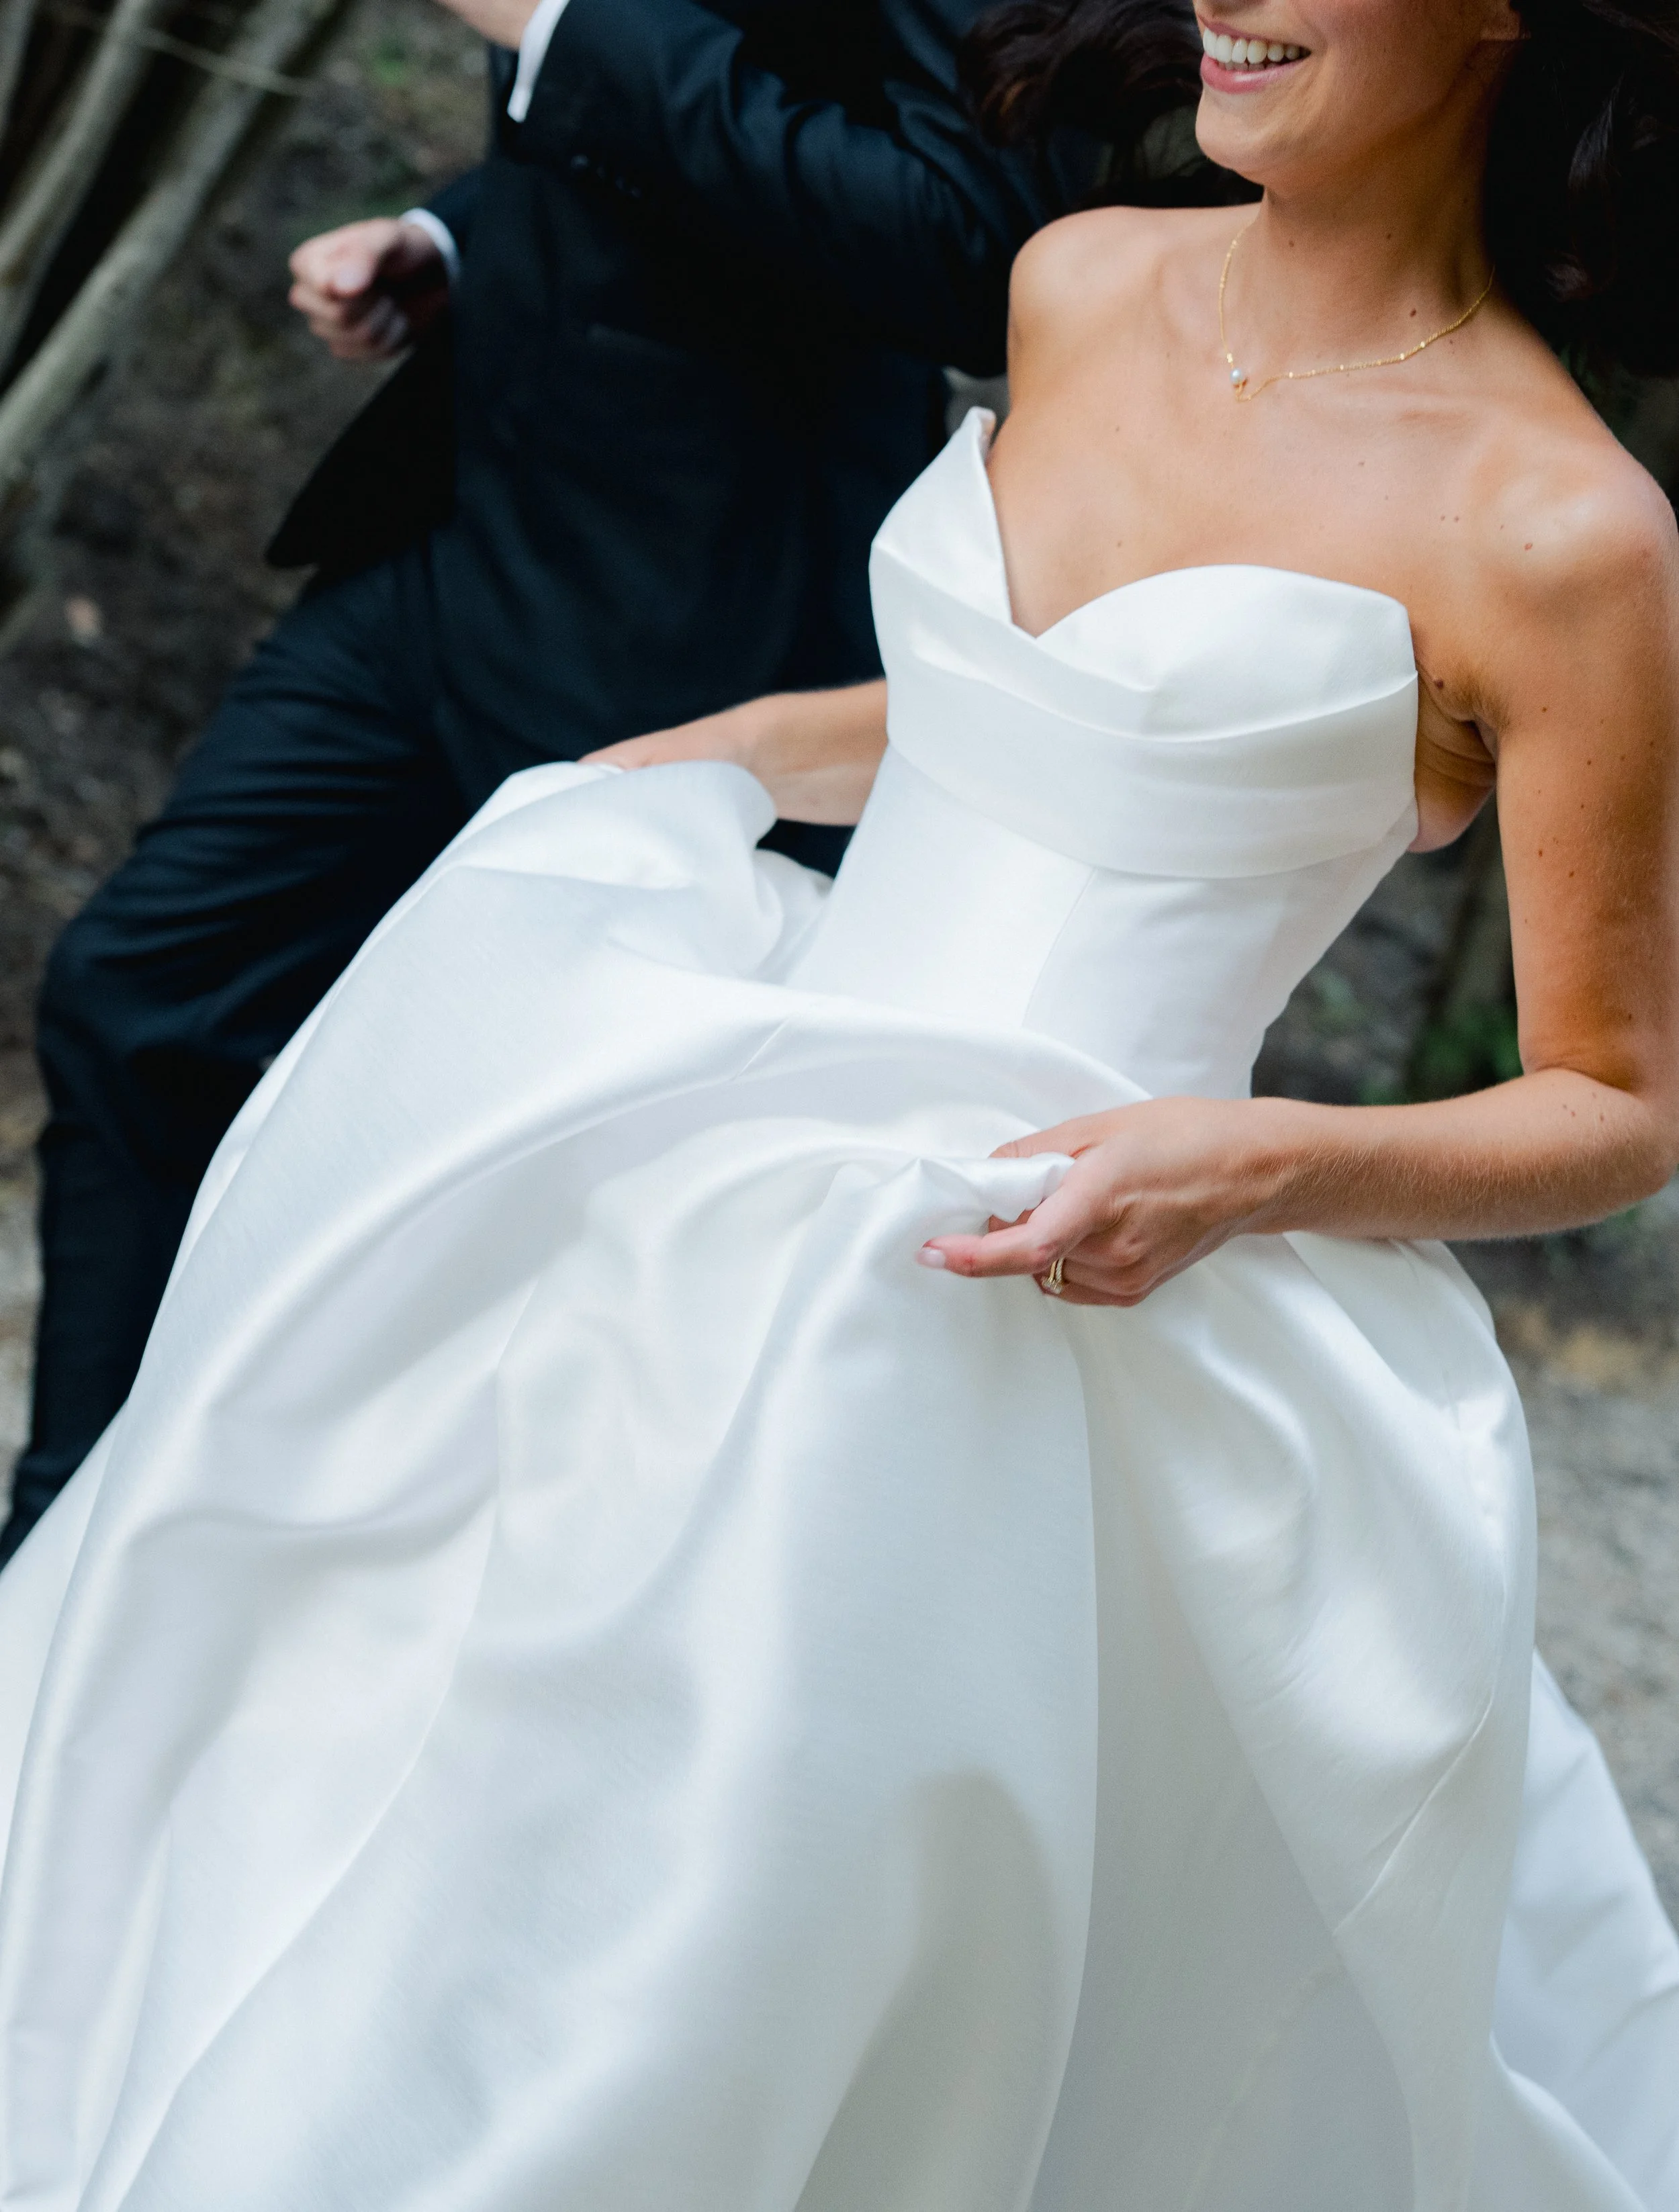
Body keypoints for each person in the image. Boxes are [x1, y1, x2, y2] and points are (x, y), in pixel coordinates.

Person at [3, 0, 1679, 2202]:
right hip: (728, 1111)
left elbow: (1614, 1097)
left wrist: (1258, 1162)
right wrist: (709, 757)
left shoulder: (1569, 531)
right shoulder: (1077, 280)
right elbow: (1008, 713)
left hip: (1052, 1267)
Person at [0, 0, 1088, 1562]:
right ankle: (67, 1553)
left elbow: (961, 244)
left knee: (548, 1181)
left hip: (693, 620)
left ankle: (392, 1614)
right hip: (445, 538)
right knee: (142, 995)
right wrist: (452, 238)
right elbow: (634, 159)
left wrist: (558, 27)